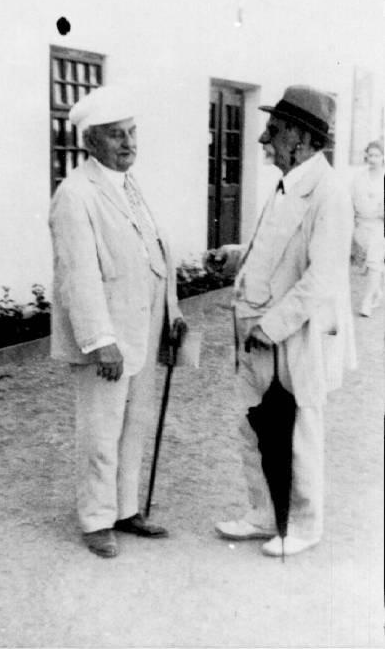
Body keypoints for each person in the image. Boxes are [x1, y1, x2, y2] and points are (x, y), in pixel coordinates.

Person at [207, 85, 356, 557]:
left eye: (274, 129)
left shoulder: (329, 193)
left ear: (303, 138)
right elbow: (274, 250)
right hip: (257, 332)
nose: (263, 138)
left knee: (299, 430)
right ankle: (264, 513)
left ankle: (304, 526)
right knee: (252, 426)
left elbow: (322, 277)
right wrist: (235, 257)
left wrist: (272, 326)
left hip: (295, 335)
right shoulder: (286, 182)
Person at [49, 86, 186, 558]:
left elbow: (156, 254)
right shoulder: (75, 193)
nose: (128, 143)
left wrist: (173, 313)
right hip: (107, 337)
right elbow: (78, 274)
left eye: (131, 132)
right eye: (115, 135)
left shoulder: (129, 186)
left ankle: (125, 509)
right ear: (91, 142)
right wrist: (99, 340)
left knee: (134, 424)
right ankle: (95, 519)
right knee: (100, 429)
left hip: (142, 329)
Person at [351, 140, 384, 317]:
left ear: (383, 157)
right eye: (370, 155)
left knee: (374, 262)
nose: (373, 159)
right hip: (361, 224)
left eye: (377, 156)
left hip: (379, 226)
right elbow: (352, 198)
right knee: (368, 263)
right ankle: (377, 292)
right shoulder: (359, 177)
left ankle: (367, 301)